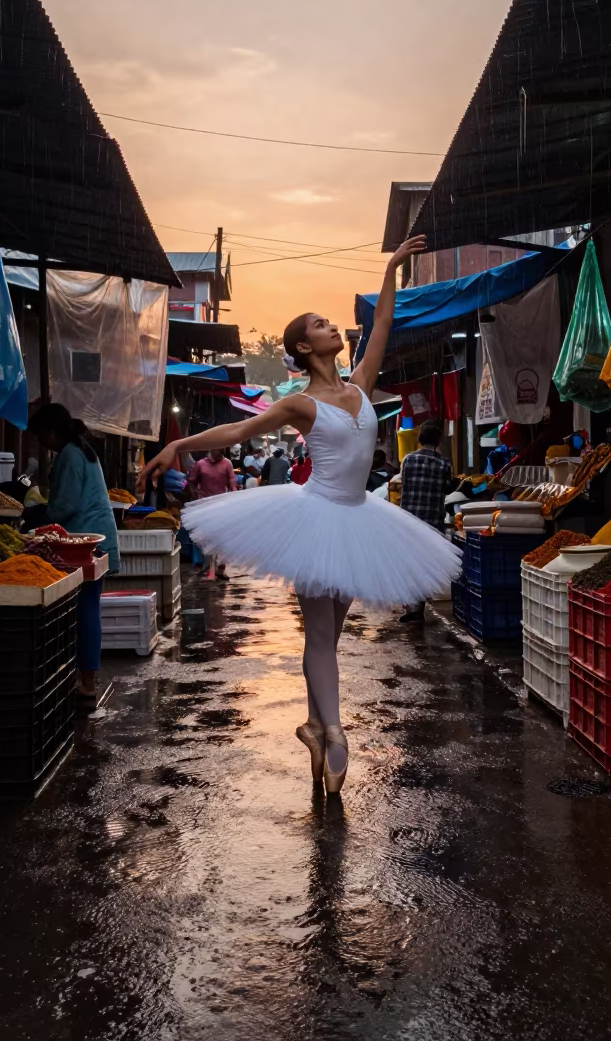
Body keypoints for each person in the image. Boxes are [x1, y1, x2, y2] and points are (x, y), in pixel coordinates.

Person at [141, 235, 461, 794]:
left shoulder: (361, 386)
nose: (332, 326)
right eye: (320, 324)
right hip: (316, 519)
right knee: (318, 636)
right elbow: (238, 431)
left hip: (360, 519)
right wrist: (179, 445)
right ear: (304, 347)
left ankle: (314, 724)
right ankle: (335, 733)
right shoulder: (298, 404)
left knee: (329, 639)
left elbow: (383, 324)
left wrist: (391, 271)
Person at [28, 404, 119, 700]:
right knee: (86, 609)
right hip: (93, 537)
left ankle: (88, 682)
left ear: (52, 432)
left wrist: (38, 514)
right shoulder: (83, 450)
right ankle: (84, 678)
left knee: (85, 610)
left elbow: (65, 506)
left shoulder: (70, 454)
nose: (41, 443)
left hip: (83, 542)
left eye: (41, 436)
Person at [398, 422, 454, 623]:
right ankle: (418, 606)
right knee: (425, 563)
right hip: (432, 522)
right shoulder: (444, 464)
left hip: (409, 521)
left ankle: (411, 605)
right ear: (438, 442)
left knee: (410, 562)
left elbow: (405, 484)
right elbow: (448, 489)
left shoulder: (408, 460)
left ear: (420, 440)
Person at [188, 448, 236, 579]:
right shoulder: (200, 464)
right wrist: (193, 492)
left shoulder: (227, 463)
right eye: (218, 449)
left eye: (222, 449)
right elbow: (192, 481)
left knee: (222, 537)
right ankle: (208, 565)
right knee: (206, 536)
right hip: (203, 505)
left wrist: (235, 494)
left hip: (221, 505)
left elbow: (232, 482)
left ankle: (221, 567)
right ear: (211, 448)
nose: (221, 451)